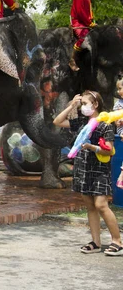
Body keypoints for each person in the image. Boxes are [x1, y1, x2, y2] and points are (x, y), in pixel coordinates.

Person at [53, 90, 123, 256]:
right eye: (82, 103)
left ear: (95, 104)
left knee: (101, 205)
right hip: (83, 169)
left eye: (85, 103)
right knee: (90, 206)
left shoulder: (105, 124)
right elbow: (57, 121)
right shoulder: (81, 123)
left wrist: (92, 148)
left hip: (98, 170)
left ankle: (117, 241)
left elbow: (109, 150)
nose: (83, 107)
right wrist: (72, 105)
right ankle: (95, 242)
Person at [69, 0, 99, 71]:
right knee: (85, 37)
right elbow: (81, 12)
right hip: (78, 22)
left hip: (84, 22)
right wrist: (90, 24)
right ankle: (72, 60)